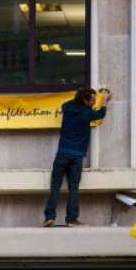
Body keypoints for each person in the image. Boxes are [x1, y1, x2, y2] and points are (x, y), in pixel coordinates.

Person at [41, 86, 112, 227]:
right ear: (85, 100)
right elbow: (101, 114)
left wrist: (80, 98)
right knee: (73, 187)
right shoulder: (87, 113)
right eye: (92, 100)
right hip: (77, 156)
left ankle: (50, 217)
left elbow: (66, 104)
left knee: (55, 186)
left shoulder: (67, 108)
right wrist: (104, 100)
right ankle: (71, 219)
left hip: (62, 153)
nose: (93, 103)